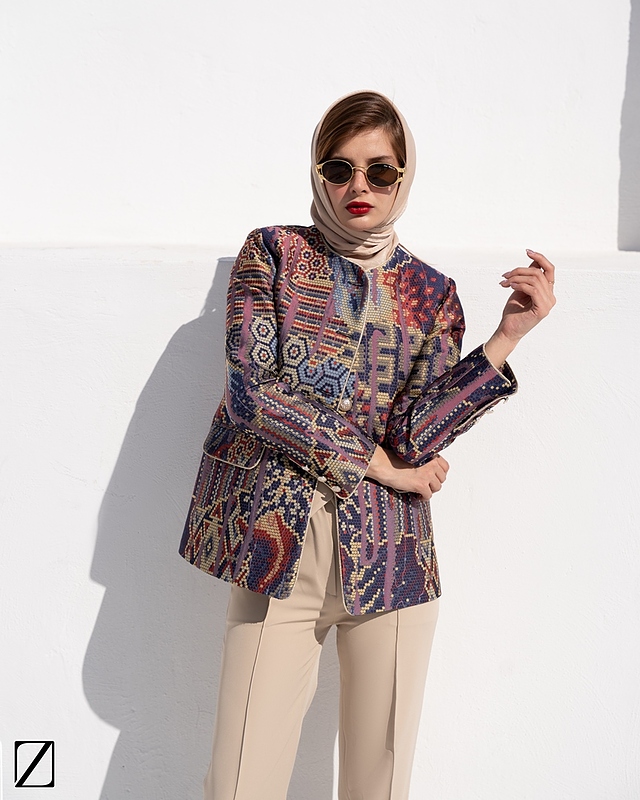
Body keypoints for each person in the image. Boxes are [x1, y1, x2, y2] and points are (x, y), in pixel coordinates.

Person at [178, 90, 556, 800]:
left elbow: (415, 436)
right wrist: (376, 462)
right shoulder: (273, 253)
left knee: (377, 787)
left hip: (391, 559)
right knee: (238, 785)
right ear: (317, 171)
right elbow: (253, 394)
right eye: (340, 168)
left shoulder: (431, 292)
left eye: (380, 171)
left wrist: (505, 340)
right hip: (275, 549)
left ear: (403, 176)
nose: (360, 186)